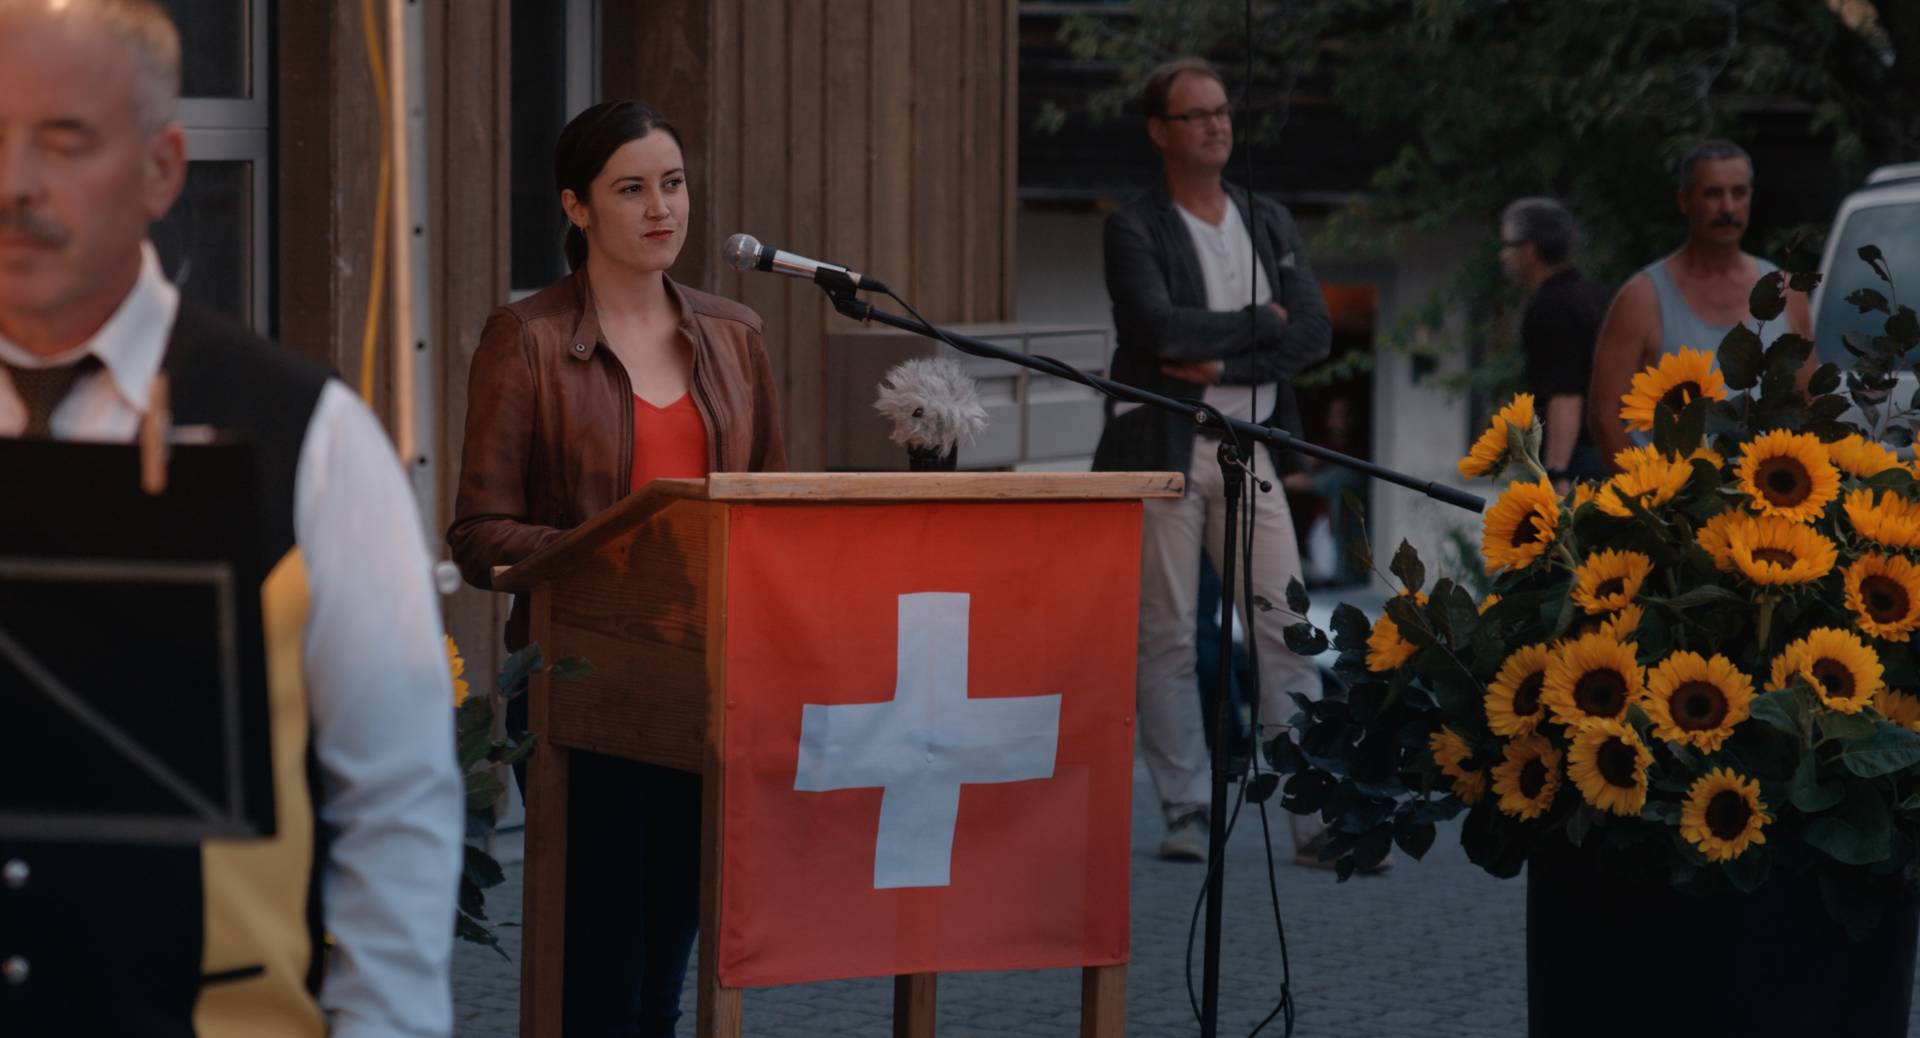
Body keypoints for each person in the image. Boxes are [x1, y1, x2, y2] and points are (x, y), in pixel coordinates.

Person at [0, 1, 463, 1034]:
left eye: (64, 141)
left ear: (163, 168)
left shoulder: (310, 438)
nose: (13, 182)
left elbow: (396, 807)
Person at [447, 99, 785, 1037]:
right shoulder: (527, 338)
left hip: (705, 682)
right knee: (597, 970)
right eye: (630, 189)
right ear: (577, 208)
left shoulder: (735, 336)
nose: (660, 208)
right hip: (577, 684)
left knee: (665, 970)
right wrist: (613, 551)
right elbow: (478, 534)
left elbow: (771, 513)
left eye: (671, 184)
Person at [1092, 58, 1332, 863]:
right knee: (1165, 632)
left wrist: (1226, 358)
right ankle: (1186, 808)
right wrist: (1261, 321)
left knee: (1286, 626)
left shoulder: (1267, 219)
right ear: (1160, 131)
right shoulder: (1135, 226)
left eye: (1222, 111)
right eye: (1196, 115)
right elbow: (1157, 329)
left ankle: (1311, 814)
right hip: (1166, 444)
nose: (1217, 125)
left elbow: (1313, 331)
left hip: (1249, 447)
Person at [1589, 140, 1814, 465]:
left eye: (1739, 193)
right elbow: (1605, 415)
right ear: (1684, 200)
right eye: (1712, 194)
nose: (1728, 208)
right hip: (1671, 490)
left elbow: (1809, 403)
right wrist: (1646, 488)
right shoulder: (1642, 298)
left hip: (1765, 488)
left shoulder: (1786, 293)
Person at [1498, 197, 1610, 489]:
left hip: (1580, 461)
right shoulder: (1596, 297)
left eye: (1507, 245)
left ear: (1529, 249)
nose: (1503, 256)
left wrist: (1556, 473)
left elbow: (1565, 392)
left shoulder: (1551, 307)